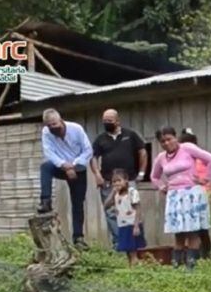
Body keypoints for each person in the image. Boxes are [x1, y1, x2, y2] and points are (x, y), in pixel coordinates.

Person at [150, 126, 211, 271]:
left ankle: (191, 267)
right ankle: (176, 266)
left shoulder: (187, 148)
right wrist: (161, 186)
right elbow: (154, 176)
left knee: (193, 232)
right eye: (163, 141)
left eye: (169, 139)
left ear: (175, 138)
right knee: (179, 234)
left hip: (191, 194)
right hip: (174, 196)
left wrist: (206, 179)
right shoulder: (161, 157)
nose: (167, 143)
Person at [90, 109, 147, 246]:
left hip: (129, 180)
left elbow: (142, 152)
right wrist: (97, 174)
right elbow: (93, 157)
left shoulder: (130, 135)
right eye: (104, 121)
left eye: (109, 120)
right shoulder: (100, 139)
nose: (107, 123)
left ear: (117, 121)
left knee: (133, 209)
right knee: (111, 212)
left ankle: (137, 243)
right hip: (109, 182)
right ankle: (119, 243)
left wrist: (141, 173)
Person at [39, 108, 94, 248]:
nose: (52, 128)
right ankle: (45, 201)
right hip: (61, 166)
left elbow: (88, 150)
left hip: (78, 169)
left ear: (61, 121)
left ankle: (78, 238)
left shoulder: (76, 129)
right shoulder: (46, 132)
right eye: (49, 125)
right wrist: (64, 165)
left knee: (77, 203)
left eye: (54, 124)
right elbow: (49, 153)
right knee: (45, 167)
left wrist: (73, 166)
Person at [178, 128, 211, 258]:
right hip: (189, 194)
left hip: (201, 194)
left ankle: (203, 254)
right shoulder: (184, 160)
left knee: (200, 227)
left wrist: (204, 181)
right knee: (193, 227)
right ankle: (196, 255)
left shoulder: (200, 158)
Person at [103, 169, 145, 266]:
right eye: (114, 181)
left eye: (119, 180)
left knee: (133, 250)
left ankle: (135, 268)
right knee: (127, 250)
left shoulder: (132, 192)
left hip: (132, 225)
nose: (116, 183)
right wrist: (113, 193)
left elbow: (138, 209)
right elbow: (106, 205)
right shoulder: (116, 195)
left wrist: (136, 226)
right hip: (122, 226)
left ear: (126, 180)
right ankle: (131, 267)